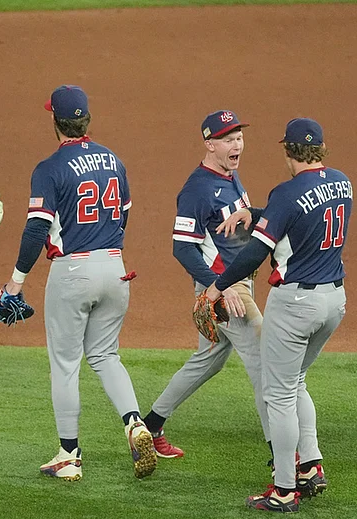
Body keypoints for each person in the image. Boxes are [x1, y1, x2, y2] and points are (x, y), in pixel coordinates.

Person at [0, 85, 156, 481]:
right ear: (86, 120)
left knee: (65, 365)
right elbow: (124, 215)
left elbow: (35, 231)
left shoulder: (49, 168)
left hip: (73, 272)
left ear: (55, 121)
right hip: (115, 268)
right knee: (105, 355)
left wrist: (15, 282)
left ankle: (68, 455)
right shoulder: (113, 161)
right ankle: (134, 422)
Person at [206, 118, 352, 512]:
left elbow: (256, 252)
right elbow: (305, 214)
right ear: (321, 149)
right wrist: (257, 212)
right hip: (333, 301)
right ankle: (312, 467)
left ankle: (285, 489)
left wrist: (219, 285)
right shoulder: (343, 182)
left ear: (288, 151)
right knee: (297, 381)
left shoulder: (285, 193)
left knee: (279, 394)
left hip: (295, 305)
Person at [140, 110, 270, 460]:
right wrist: (220, 287)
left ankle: (149, 425)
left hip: (238, 283)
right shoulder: (197, 190)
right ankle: (284, 455)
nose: (237, 144)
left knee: (209, 358)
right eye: (228, 139)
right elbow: (182, 248)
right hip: (225, 292)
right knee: (265, 362)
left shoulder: (230, 175)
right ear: (209, 143)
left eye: (239, 137)